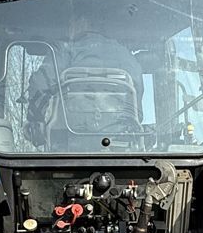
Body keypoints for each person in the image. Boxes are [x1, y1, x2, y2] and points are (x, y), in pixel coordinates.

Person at [25, 14, 143, 148]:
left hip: (68, 141)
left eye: (71, 25)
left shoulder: (63, 51)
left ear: (82, 24)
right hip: (118, 141)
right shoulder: (126, 56)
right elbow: (136, 102)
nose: (69, 30)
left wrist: (36, 120)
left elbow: (39, 85)